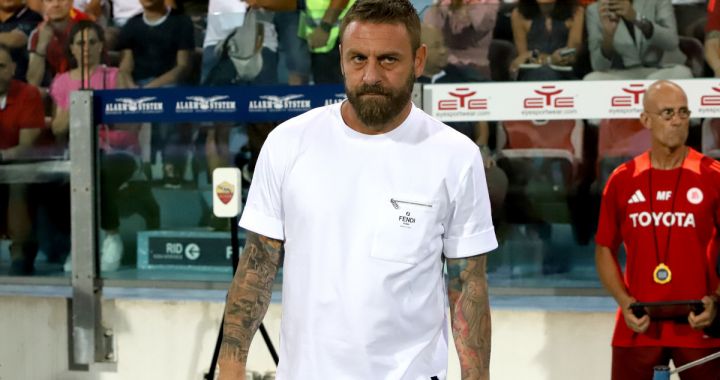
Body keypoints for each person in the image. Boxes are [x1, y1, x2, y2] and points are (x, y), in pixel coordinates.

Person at [218, 1, 497, 379]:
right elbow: (258, 264)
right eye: (358, 58)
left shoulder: (456, 156)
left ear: (418, 61)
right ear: (341, 59)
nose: (370, 76)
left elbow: (467, 287)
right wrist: (231, 368)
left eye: (387, 60)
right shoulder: (288, 143)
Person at [595, 80, 720, 380]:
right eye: (667, 113)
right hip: (638, 326)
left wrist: (716, 300)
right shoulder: (622, 179)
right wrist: (624, 303)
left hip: (701, 325)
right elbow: (603, 249)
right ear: (646, 120)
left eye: (683, 112)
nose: (677, 120)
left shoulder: (712, 176)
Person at [49, 20, 159, 271]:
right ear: (72, 49)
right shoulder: (62, 81)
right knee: (62, 177)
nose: (86, 47)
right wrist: (76, 104)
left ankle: (111, 237)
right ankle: (77, 246)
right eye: (80, 43)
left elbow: (132, 125)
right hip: (77, 155)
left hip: (119, 154)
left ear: (101, 47)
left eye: (92, 42)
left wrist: (101, 110)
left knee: (100, 168)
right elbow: (57, 128)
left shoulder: (115, 76)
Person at [0, 44, 43, 275]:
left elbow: (26, 146)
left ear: (13, 69)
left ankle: (20, 253)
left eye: (1, 66)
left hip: (26, 163)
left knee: (17, 180)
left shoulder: (28, 94)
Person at [584, 0, 692, 80]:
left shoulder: (659, 1)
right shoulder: (595, 10)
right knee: (592, 79)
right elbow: (598, 66)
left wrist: (636, 18)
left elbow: (671, 42)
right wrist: (608, 35)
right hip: (621, 74)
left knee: (681, 74)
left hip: (660, 70)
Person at [422, 0, 499, 81]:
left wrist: (465, 7)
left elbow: (480, 26)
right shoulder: (440, 6)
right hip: (442, 65)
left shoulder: (489, 3)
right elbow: (429, 37)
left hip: (475, 69)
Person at [510, 0, 584, 81]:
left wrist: (536, 57)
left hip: (564, 73)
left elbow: (571, 56)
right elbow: (523, 58)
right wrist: (550, 60)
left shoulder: (577, 12)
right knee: (543, 73)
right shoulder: (518, 14)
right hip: (531, 73)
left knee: (548, 73)